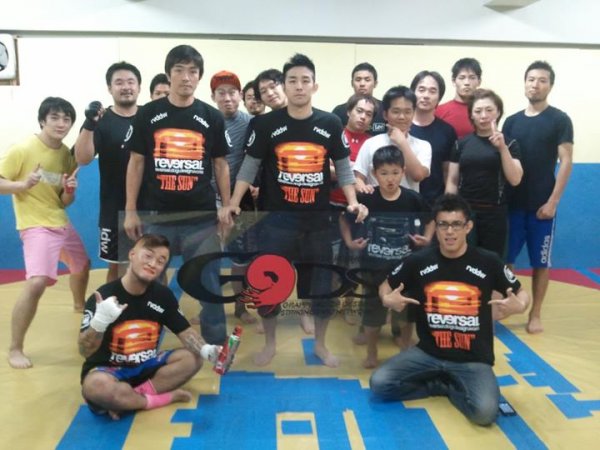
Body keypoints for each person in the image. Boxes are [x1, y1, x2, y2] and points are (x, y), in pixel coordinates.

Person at [219, 53, 368, 368]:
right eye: (292, 81)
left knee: (321, 288)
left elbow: (343, 166)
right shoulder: (266, 124)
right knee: (269, 285)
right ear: (284, 87)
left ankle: (321, 345)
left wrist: (353, 199)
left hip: (318, 222)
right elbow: (250, 165)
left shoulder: (330, 123)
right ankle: (270, 344)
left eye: (305, 80)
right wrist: (233, 201)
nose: (299, 86)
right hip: (277, 222)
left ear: (315, 86)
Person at [370, 193, 530, 426]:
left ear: (468, 227)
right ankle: (439, 385)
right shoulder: (419, 261)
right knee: (380, 384)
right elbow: (385, 286)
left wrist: (520, 305)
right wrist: (387, 300)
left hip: (472, 360)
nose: (450, 232)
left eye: (456, 224)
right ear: (435, 228)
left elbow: (521, 293)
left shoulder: (489, 261)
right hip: (427, 353)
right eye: (443, 225)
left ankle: (451, 387)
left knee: (484, 413)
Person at [124, 44, 230, 345]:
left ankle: (216, 344)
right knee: (150, 282)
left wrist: (225, 207)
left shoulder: (211, 116)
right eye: (179, 70)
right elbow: (136, 162)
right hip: (158, 217)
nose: (186, 77)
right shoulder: (147, 115)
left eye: (193, 71)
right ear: (169, 75)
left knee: (208, 282)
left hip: (202, 218)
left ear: (199, 77)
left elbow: (220, 165)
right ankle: (148, 342)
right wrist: (130, 210)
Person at [79, 234, 222, 420]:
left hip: (145, 366)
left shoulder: (163, 296)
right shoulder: (103, 297)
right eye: (148, 256)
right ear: (132, 254)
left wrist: (207, 350)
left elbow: (185, 332)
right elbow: (85, 351)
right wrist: (100, 322)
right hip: (109, 369)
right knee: (96, 387)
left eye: (161, 261)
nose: (153, 264)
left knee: (193, 358)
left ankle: (129, 399)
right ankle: (159, 399)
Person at [0, 96, 90, 369]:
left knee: (82, 264)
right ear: (42, 120)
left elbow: (63, 200)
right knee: (37, 282)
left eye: (66, 119)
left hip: (59, 220)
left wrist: (70, 191)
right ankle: (15, 348)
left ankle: (79, 305)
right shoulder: (23, 149)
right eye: (54, 117)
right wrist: (22, 185)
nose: (61, 123)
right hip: (35, 225)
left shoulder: (66, 156)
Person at [340, 146, 433, 368]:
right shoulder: (366, 198)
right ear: (374, 173)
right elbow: (344, 218)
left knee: (407, 313)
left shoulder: (413, 199)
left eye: (395, 172)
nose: (390, 179)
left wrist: (427, 238)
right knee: (372, 314)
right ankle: (372, 352)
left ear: (403, 171)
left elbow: (431, 219)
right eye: (383, 173)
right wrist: (349, 242)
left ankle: (405, 348)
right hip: (373, 269)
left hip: (405, 270)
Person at [504, 61, 574, 334]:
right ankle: (507, 304)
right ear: (525, 83)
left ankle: (535, 313)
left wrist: (553, 201)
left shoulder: (559, 119)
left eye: (542, 80)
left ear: (550, 86)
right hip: (512, 204)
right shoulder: (511, 122)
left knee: (540, 263)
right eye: (531, 79)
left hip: (541, 207)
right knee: (505, 260)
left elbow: (566, 161)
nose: (535, 84)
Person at [74, 61, 142, 283]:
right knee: (118, 267)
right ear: (109, 88)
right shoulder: (101, 121)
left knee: (152, 263)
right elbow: (82, 158)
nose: (126, 87)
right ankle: (114, 305)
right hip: (114, 209)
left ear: (139, 87)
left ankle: (149, 305)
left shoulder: (149, 117)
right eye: (119, 82)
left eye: (131, 82)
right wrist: (90, 123)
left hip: (150, 206)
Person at [446, 88, 523, 258]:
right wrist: (449, 209)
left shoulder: (510, 144)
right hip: (465, 213)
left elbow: (515, 179)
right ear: (471, 115)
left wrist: (502, 148)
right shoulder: (461, 144)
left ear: (498, 112)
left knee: (492, 264)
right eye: (478, 111)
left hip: (495, 214)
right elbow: (452, 181)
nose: (483, 116)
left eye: (489, 110)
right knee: (462, 261)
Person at [209, 70, 256, 324]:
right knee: (209, 258)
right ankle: (209, 309)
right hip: (208, 200)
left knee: (241, 259)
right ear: (213, 96)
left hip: (240, 201)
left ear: (240, 95)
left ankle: (240, 307)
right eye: (221, 93)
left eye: (232, 93)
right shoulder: (205, 120)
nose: (227, 98)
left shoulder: (251, 123)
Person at [354, 85, 432, 193]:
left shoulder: (423, 145)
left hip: (408, 203)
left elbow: (417, 176)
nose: (402, 117)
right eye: (396, 111)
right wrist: (364, 189)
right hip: (376, 202)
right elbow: (358, 178)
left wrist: (402, 142)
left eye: (407, 112)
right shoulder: (370, 143)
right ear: (385, 115)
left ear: (414, 113)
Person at [410, 70, 457, 205]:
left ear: (439, 97)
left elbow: (448, 174)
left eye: (432, 91)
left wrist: (447, 205)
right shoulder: (399, 128)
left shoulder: (447, 131)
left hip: (435, 203)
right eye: (421, 90)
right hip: (402, 201)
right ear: (412, 93)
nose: (426, 96)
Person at [331, 62, 386, 135]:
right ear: (352, 83)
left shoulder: (385, 109)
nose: (362, 84)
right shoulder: (339, 111)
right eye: (358, 79)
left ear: (375, 83)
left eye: (367, 80)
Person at [436, 58, 482, 139]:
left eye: (472, 78)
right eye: (462, 78)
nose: (467, 83)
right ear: (454, 81)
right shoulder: (439, 111)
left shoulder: (484, 112)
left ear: (479, 81)